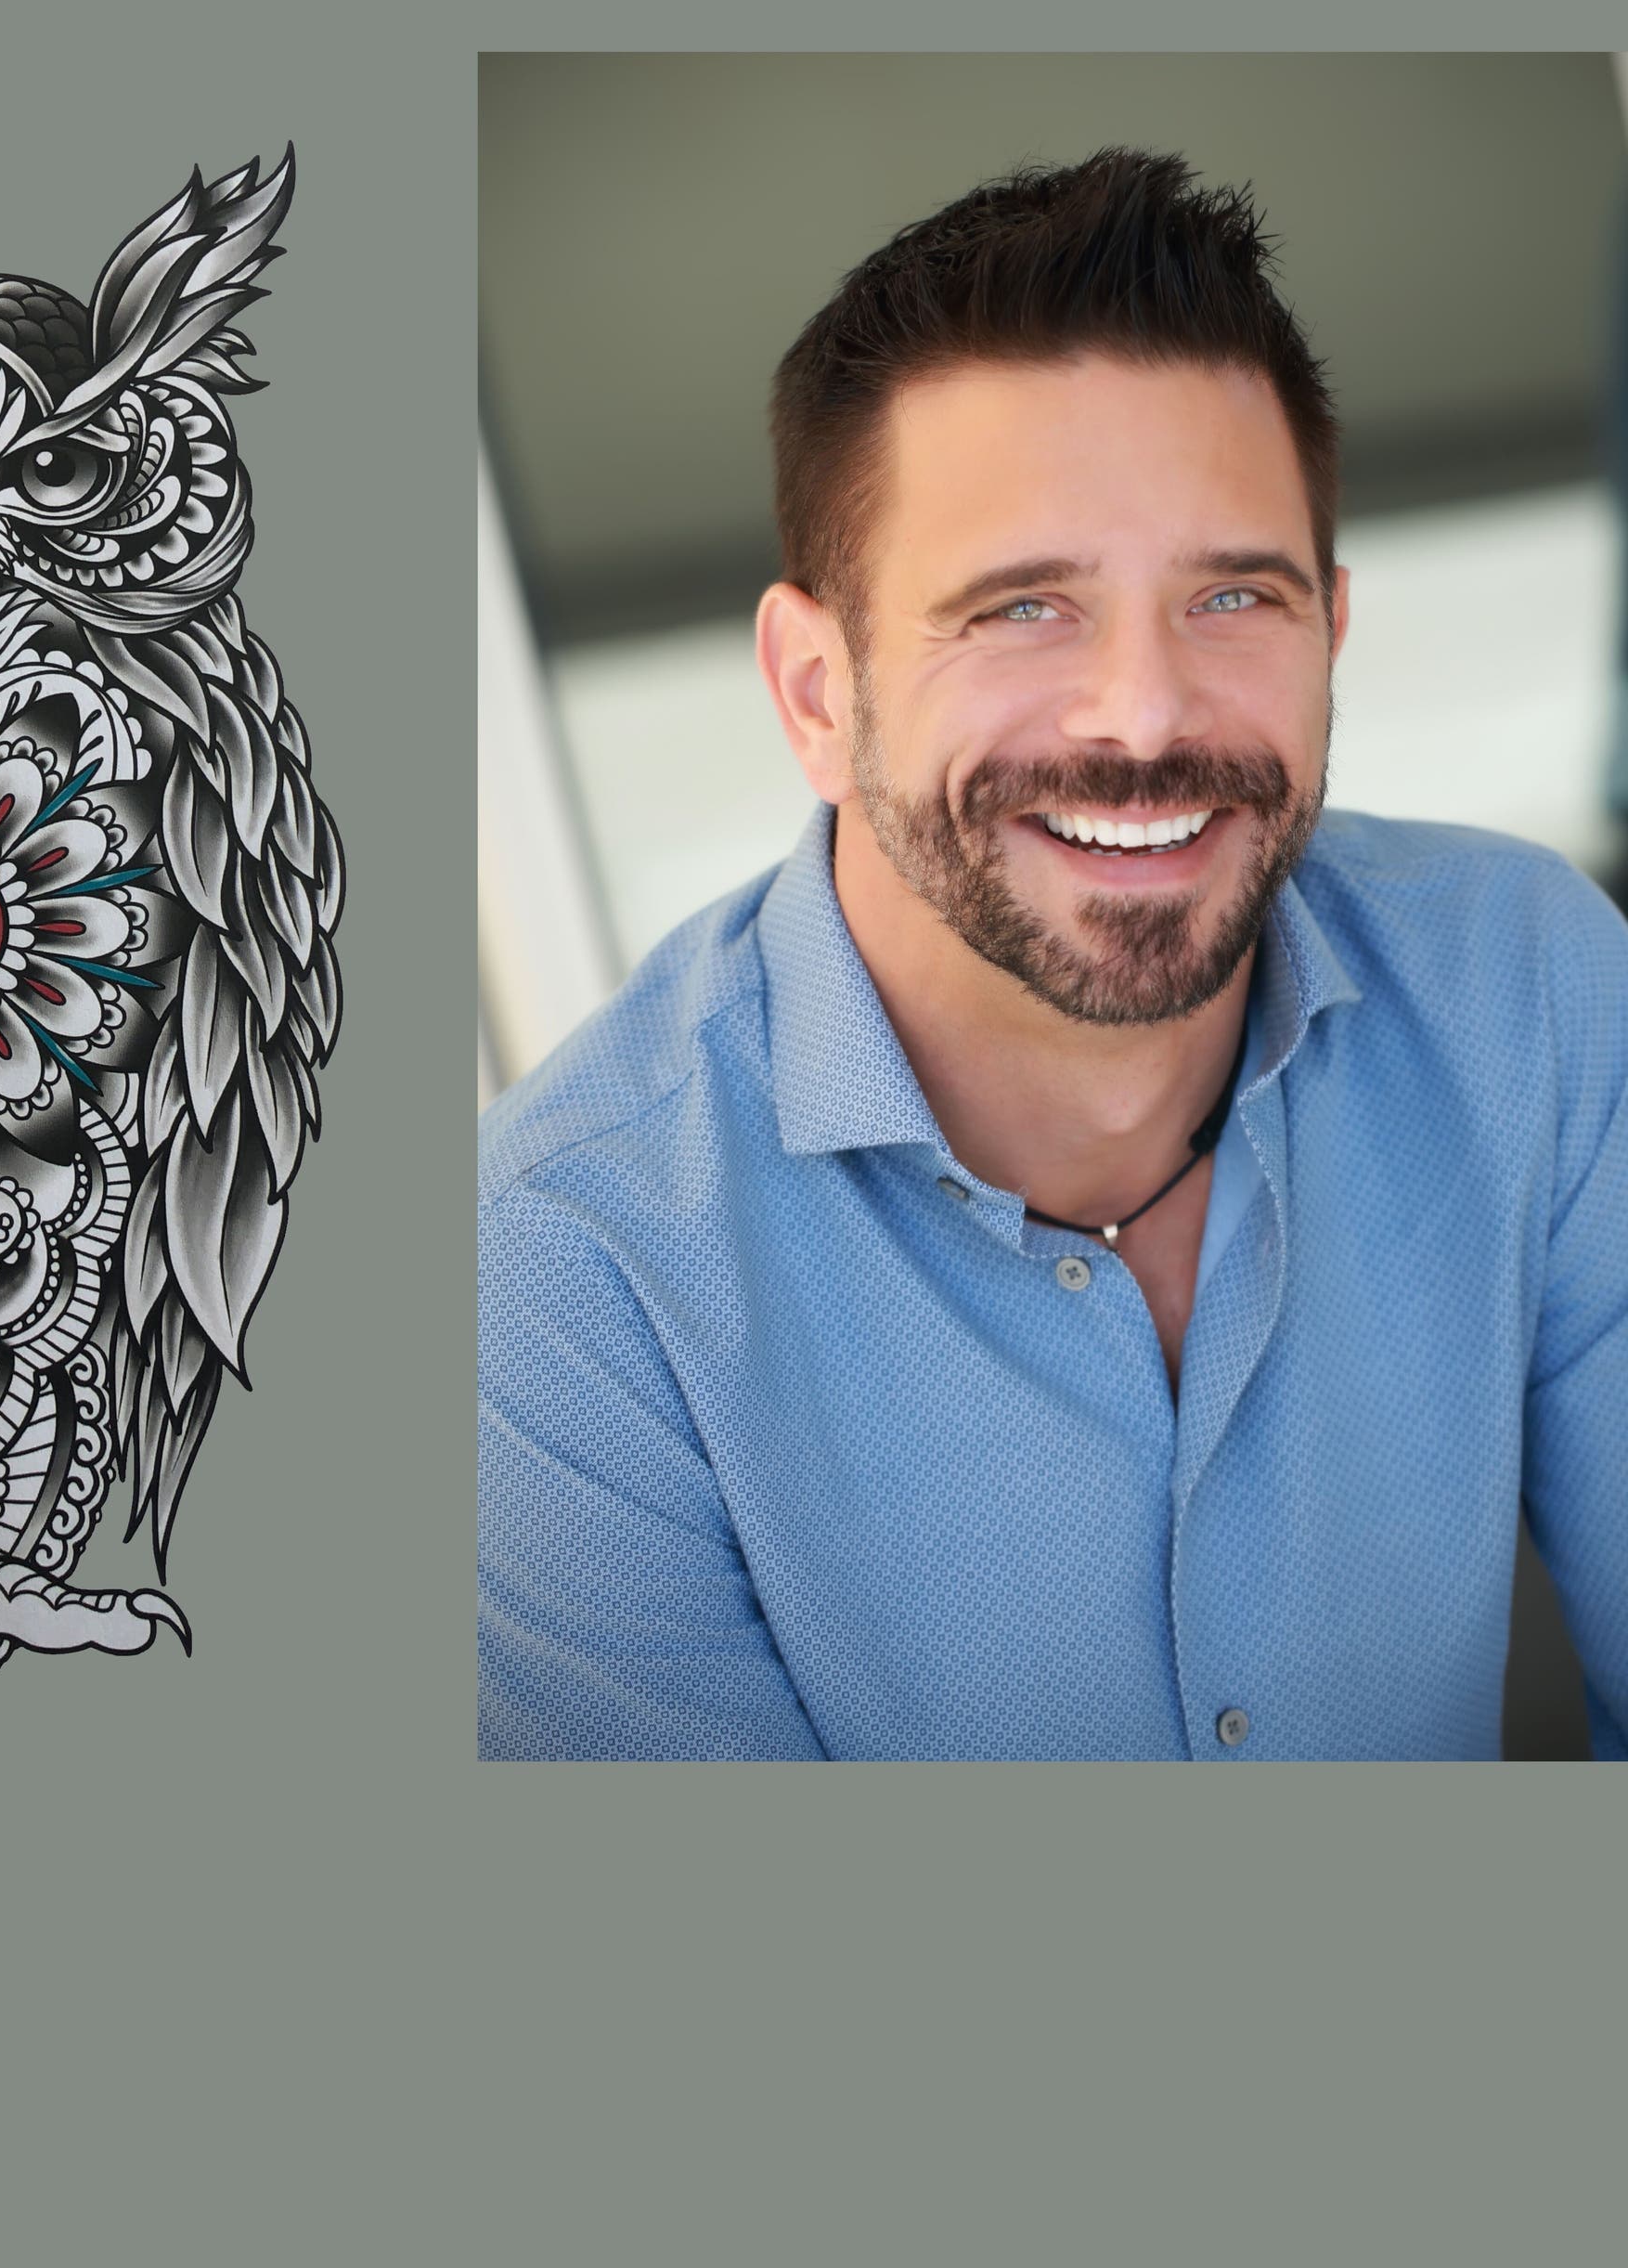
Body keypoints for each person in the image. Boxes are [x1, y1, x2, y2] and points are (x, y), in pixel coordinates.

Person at [479, 148, 1628, 1761]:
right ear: (818, 691)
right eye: (1023, 609)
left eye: (1235, 595)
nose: (1147, 716)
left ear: (1334, 637)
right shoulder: (559, 1290)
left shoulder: (1538, 994)